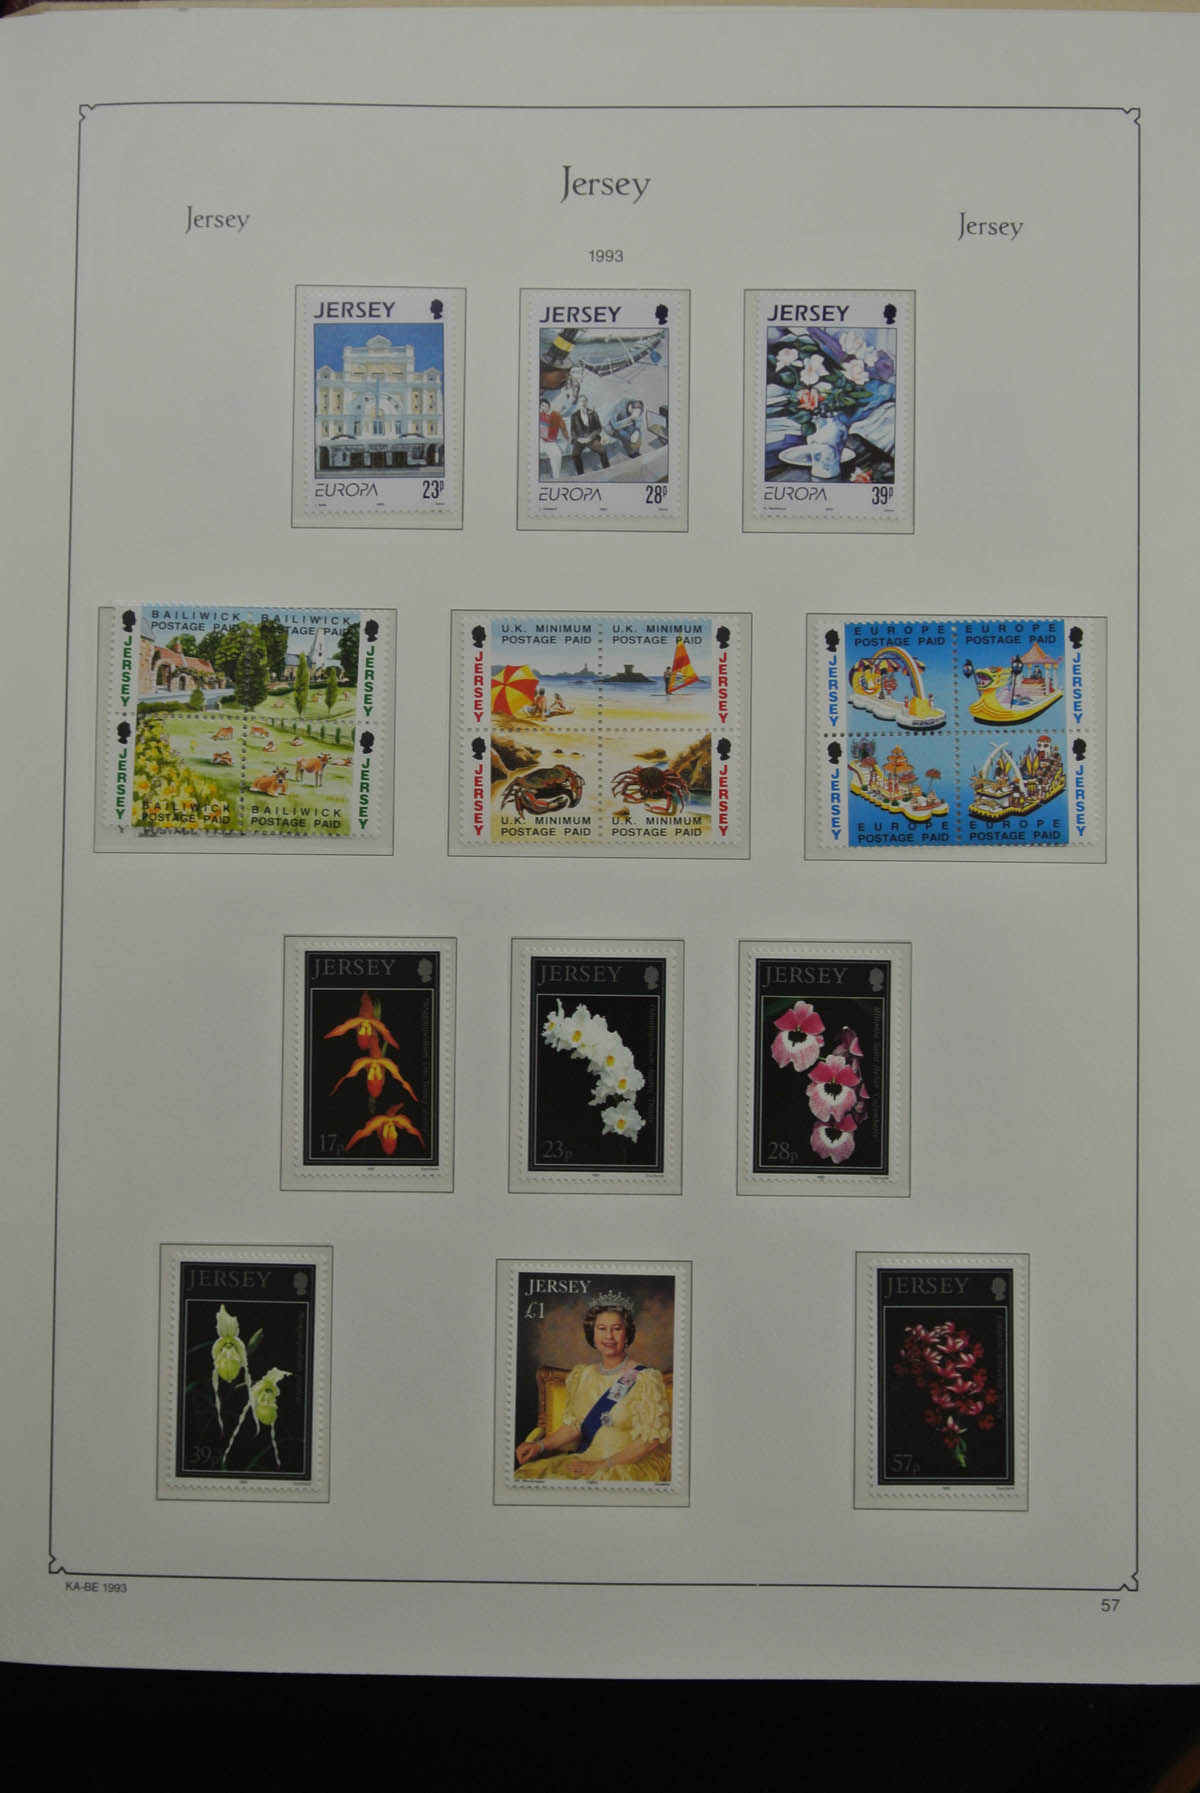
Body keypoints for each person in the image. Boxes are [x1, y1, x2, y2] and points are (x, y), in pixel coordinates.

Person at [514, 1293, 671, 1482]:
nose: (609, 1336)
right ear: (592, 1333)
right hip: (587, 1458)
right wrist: (539, 1446)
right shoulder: (582, 1376)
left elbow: (650, 1441)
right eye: (602, 1328)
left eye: (617, 1329)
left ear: (626, 1333)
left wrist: (602, 1465)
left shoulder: (645, 1379)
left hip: (626, 1464)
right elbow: (574, 1427)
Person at [570, 396, 610, 476]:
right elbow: (572, 431)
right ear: (578, 404)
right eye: (581, 401)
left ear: (587, 402)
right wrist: (578, 439)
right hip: (580, 439)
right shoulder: (574, 416)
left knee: (602, 451)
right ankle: (581, 474)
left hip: (591, 438)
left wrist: (591, 437)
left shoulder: (593, 413)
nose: (583, 403)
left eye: (584, 401)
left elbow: (599, 428)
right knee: (575, 455)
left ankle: (607, 469)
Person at [538, 397, 570, 479]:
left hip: (550, 442)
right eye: (542, 406)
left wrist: (567, 437)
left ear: (549, 406)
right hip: (541, 441)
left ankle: (556, 477)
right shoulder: (540, 415)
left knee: (557, 454)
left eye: (545, 405)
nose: (543, 408)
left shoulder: (556, 415)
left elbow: (563, 427)